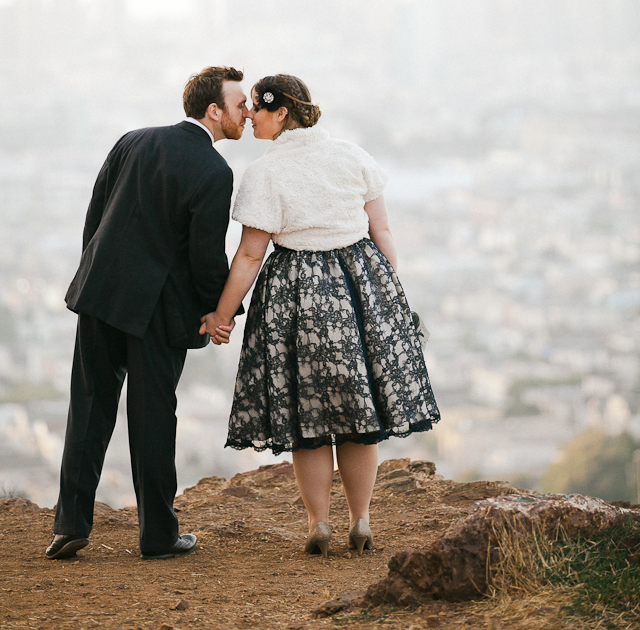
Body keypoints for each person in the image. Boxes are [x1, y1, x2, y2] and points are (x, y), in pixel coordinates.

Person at [200, 73, 440, 557]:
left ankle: (318, 523)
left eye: (257, 110)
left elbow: (249, 256)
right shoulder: (352, 156)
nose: (249, 115)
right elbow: (382, 230)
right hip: (358, 285)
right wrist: (385, 297)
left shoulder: (265, 174)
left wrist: (221, 317)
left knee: (307, 419)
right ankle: (362, 519)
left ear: (281, 113)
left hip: (296, 296)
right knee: (358, 415)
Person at [46, 66, 250, 561]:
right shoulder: (214, 170)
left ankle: (70, 525)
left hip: (102, 293)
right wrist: (217, 311)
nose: (247, 111)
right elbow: (206, 256)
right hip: (158, 309)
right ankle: (158, 535)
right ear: (213, 110)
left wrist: (94, 273)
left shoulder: (131, 141)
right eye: (239, 103)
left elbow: (96, 215)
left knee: (89, 404)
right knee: (153, 415)